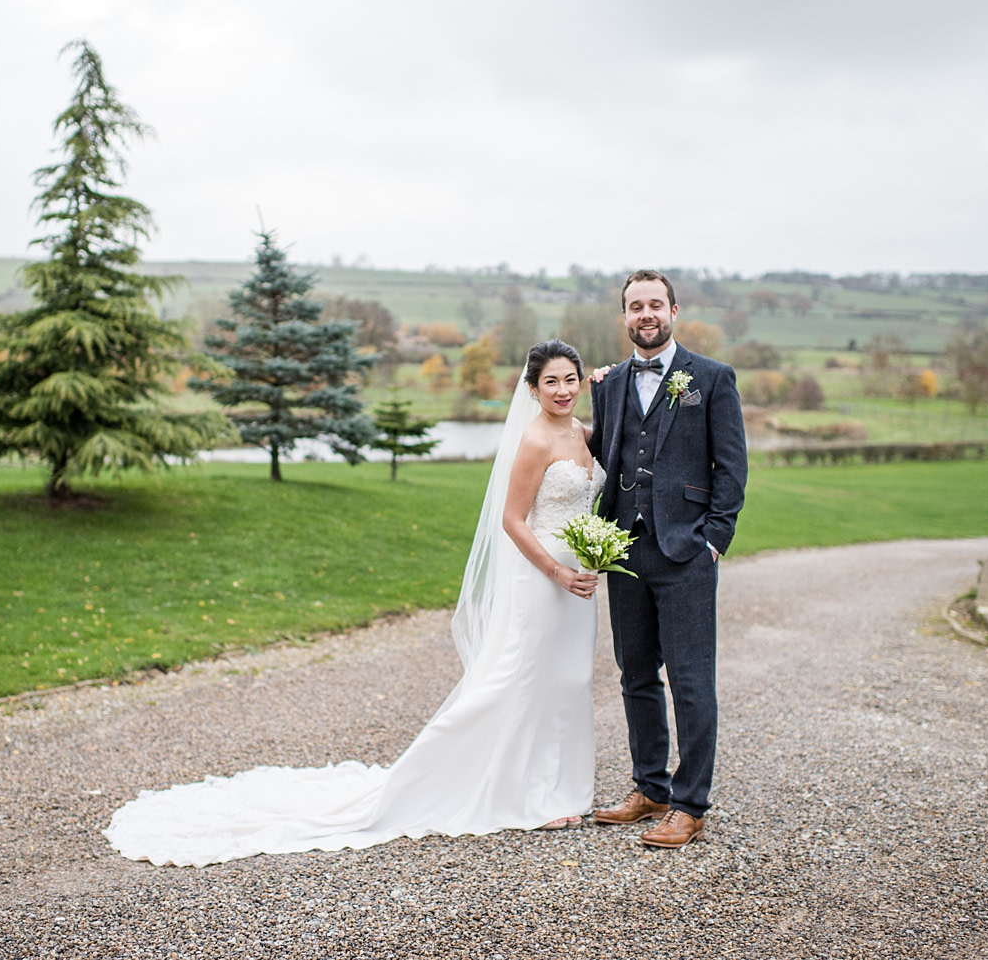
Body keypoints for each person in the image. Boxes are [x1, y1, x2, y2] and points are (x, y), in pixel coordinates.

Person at [103, 340, 603, 865]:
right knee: (523, 678)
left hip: (581, 579)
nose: (563, 389)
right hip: (545, 575)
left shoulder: (582, 434)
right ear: (532, 388)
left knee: (569, 680)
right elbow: (512, 520)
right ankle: (506, 790)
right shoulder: (533, 440)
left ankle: (564, 791)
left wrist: (590, 559)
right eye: (551, 381)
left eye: (571, 379)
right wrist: (555, 570)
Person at [587, 269, 747, 848]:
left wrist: (712, 539)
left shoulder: (711, 378)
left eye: (655, 304)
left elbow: (731, 469)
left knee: (691, 681)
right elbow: (602, 455)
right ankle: (649, 787)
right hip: (625, 550)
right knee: (636, 676)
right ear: (625, 316)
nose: (645, 314)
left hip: (685, 552)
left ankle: (690, 803)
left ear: (674, 311)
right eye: (635, 306)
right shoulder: (607, 384)